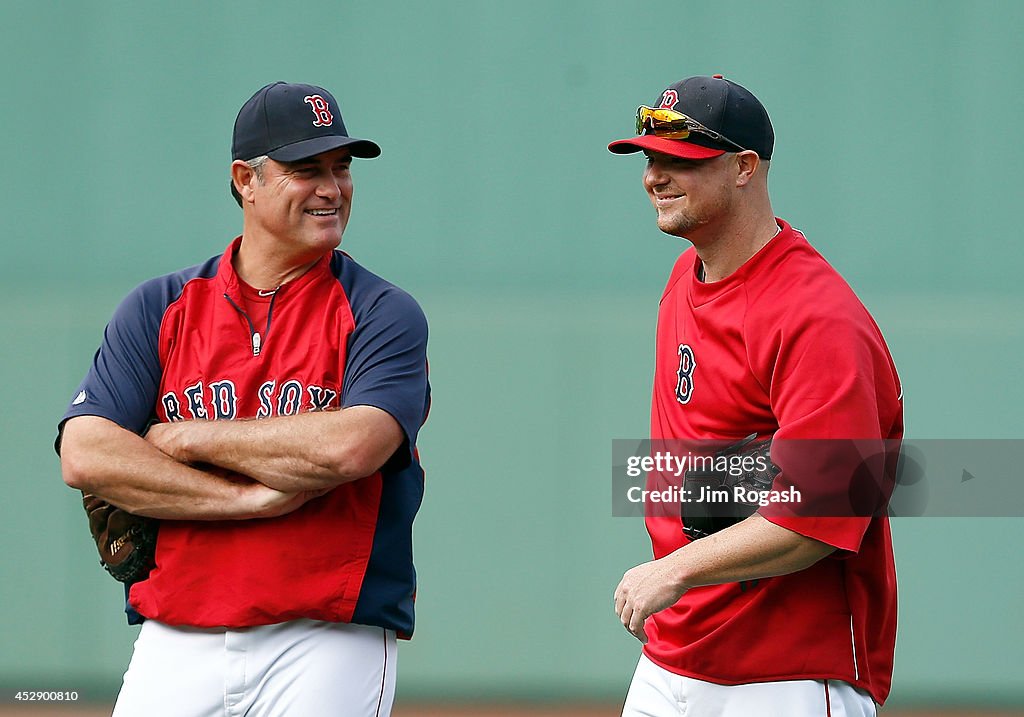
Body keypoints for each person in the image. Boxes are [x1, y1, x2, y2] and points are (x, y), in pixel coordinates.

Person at [56, 81, 430, 716]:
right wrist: (248, 499)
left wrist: (183, 438)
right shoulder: (159, 306)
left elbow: (351, 446)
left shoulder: (381, 311)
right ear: (245, 180)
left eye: (341, 168)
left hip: (327, 633)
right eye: (305, 169)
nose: (332, 187)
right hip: (174, 631)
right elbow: (86, 454)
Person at [607, 75, 903, 715]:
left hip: (788, 670)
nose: (654, 175)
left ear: (744, 168)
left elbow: (820, 518)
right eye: (650, 157)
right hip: (673, 653)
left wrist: (675, 569)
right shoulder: (686, 273)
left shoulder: (816, 319)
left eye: (682, 158)